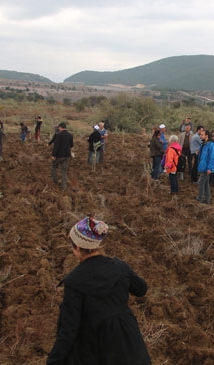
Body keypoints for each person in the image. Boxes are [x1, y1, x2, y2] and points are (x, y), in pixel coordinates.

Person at [47, 217, 151, 364]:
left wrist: (54, 360)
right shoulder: (119, 267)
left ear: (77, 247)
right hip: (129, 344)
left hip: (96, 349)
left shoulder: (74, 282)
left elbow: (69, 329)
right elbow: (141, 289)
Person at [51, 122, 74, 189]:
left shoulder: (59, 135)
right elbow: (72, 145)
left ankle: (55, 181)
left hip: (59, 155)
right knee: (64, 170)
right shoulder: (70, 135)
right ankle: (64, 185)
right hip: (67, 155)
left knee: (54, 166)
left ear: (60, 127)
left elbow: (56, 146)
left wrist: (53, 155)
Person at [196, 129, 214, 204]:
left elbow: (213, 157)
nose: (200, 136)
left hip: (206, 168)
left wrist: (210, 168)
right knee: (206, 183)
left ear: (206, 136)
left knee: (201, 183)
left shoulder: (211, 145)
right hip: (203, 166)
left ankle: (200, 198)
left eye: (202, 135)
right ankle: (207, 199)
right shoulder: (203, 144)